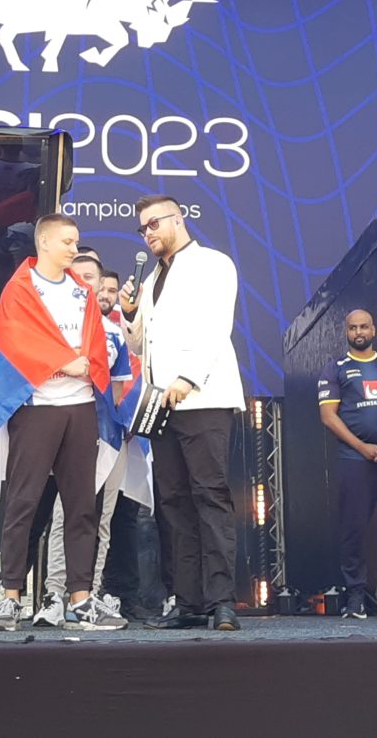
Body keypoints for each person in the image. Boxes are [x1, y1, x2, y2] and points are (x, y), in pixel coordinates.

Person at [0, 213, 126, 632]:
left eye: (76, 242)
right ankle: (10, 598)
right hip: (37, 406)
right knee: (23, 503)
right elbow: (15, 342)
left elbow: (96, 343)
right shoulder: (21, 288)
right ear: (44, 243)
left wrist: (85, 365)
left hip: (80, 406)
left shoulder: (81, 292)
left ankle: (81, 597)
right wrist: (63, 362)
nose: (74, 249)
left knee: (81, 505)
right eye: (67, 242)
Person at [121, 194, 244, 631]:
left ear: (179, 219)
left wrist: (188, 378)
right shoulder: (154, 276)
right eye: (142, 228)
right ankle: (188, 601)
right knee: (173, 503)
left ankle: (222, 601)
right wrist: (130, 315)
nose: (148, 233)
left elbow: (216, 326)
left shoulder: (213, 263)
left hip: (203, 398)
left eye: (154, 224)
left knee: (210, 496)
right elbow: (143, 346)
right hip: (162, 404)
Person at [34, 251, 141, 626]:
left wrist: (117, 422)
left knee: (103, 519)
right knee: (65, 515)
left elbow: (120, 387)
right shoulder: (54, 326)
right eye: (78, 277)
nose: (87, 284)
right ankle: (54, 595)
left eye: (92, 278)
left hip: (109, 434)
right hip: (69, 432)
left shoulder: (113, 332)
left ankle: (88, 596)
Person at [318, 309, 377, 618]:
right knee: (352, 529)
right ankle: (355, 596)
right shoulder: (336, 368)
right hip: (355, 458)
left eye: (364, 326)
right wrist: (362, 447)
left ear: (374, 329)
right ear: (346, 332)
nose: (359, 332)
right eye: (353, 328)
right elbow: (328, 416)